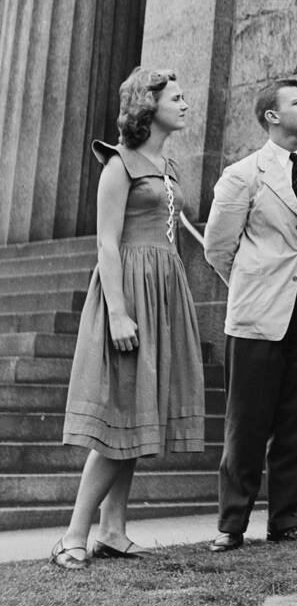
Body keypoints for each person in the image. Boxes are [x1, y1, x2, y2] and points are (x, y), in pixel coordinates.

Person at [52, 68, 205, 569]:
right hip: (127, 291)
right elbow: (106, 244)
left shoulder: (169, 166)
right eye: (176, 98)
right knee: (118, 417)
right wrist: (117, 312)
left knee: (138, 415)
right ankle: (73, 534)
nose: (185, 104)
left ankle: (113, 530)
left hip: (161, 290)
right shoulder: (118, 164)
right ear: (148, 105)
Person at [203, 78, 297, 551]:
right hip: (257, 315)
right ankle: (231, 525)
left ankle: (286, 523)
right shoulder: (242, 174)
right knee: (246, 424)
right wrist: (251, 284)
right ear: (272, 116)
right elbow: (218, 247)